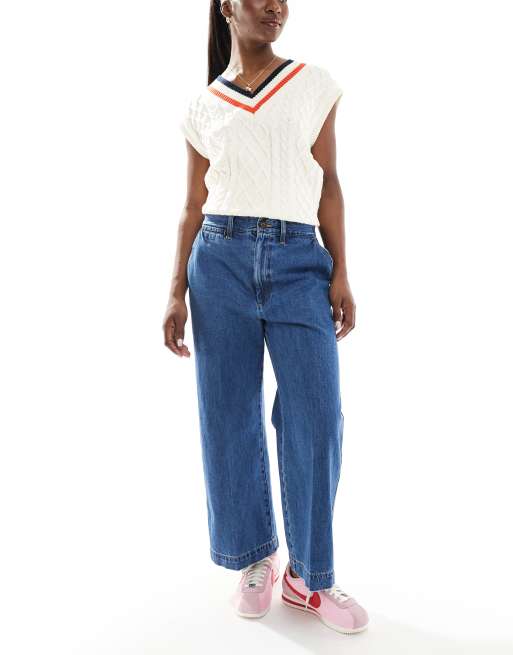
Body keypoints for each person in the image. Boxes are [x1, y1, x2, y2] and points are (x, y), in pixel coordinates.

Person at [163, 0, 369, 635]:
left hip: (299, 262)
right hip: (217, 263)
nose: (276, 6)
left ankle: (309, 574)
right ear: (228, 6)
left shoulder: (312, 83)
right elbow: (192, 204)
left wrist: (340, 270)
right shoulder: (204, 105)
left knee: (316, 415)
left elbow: (329, 182)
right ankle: (255, 557)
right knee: (227, 413)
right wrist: (175, 290)